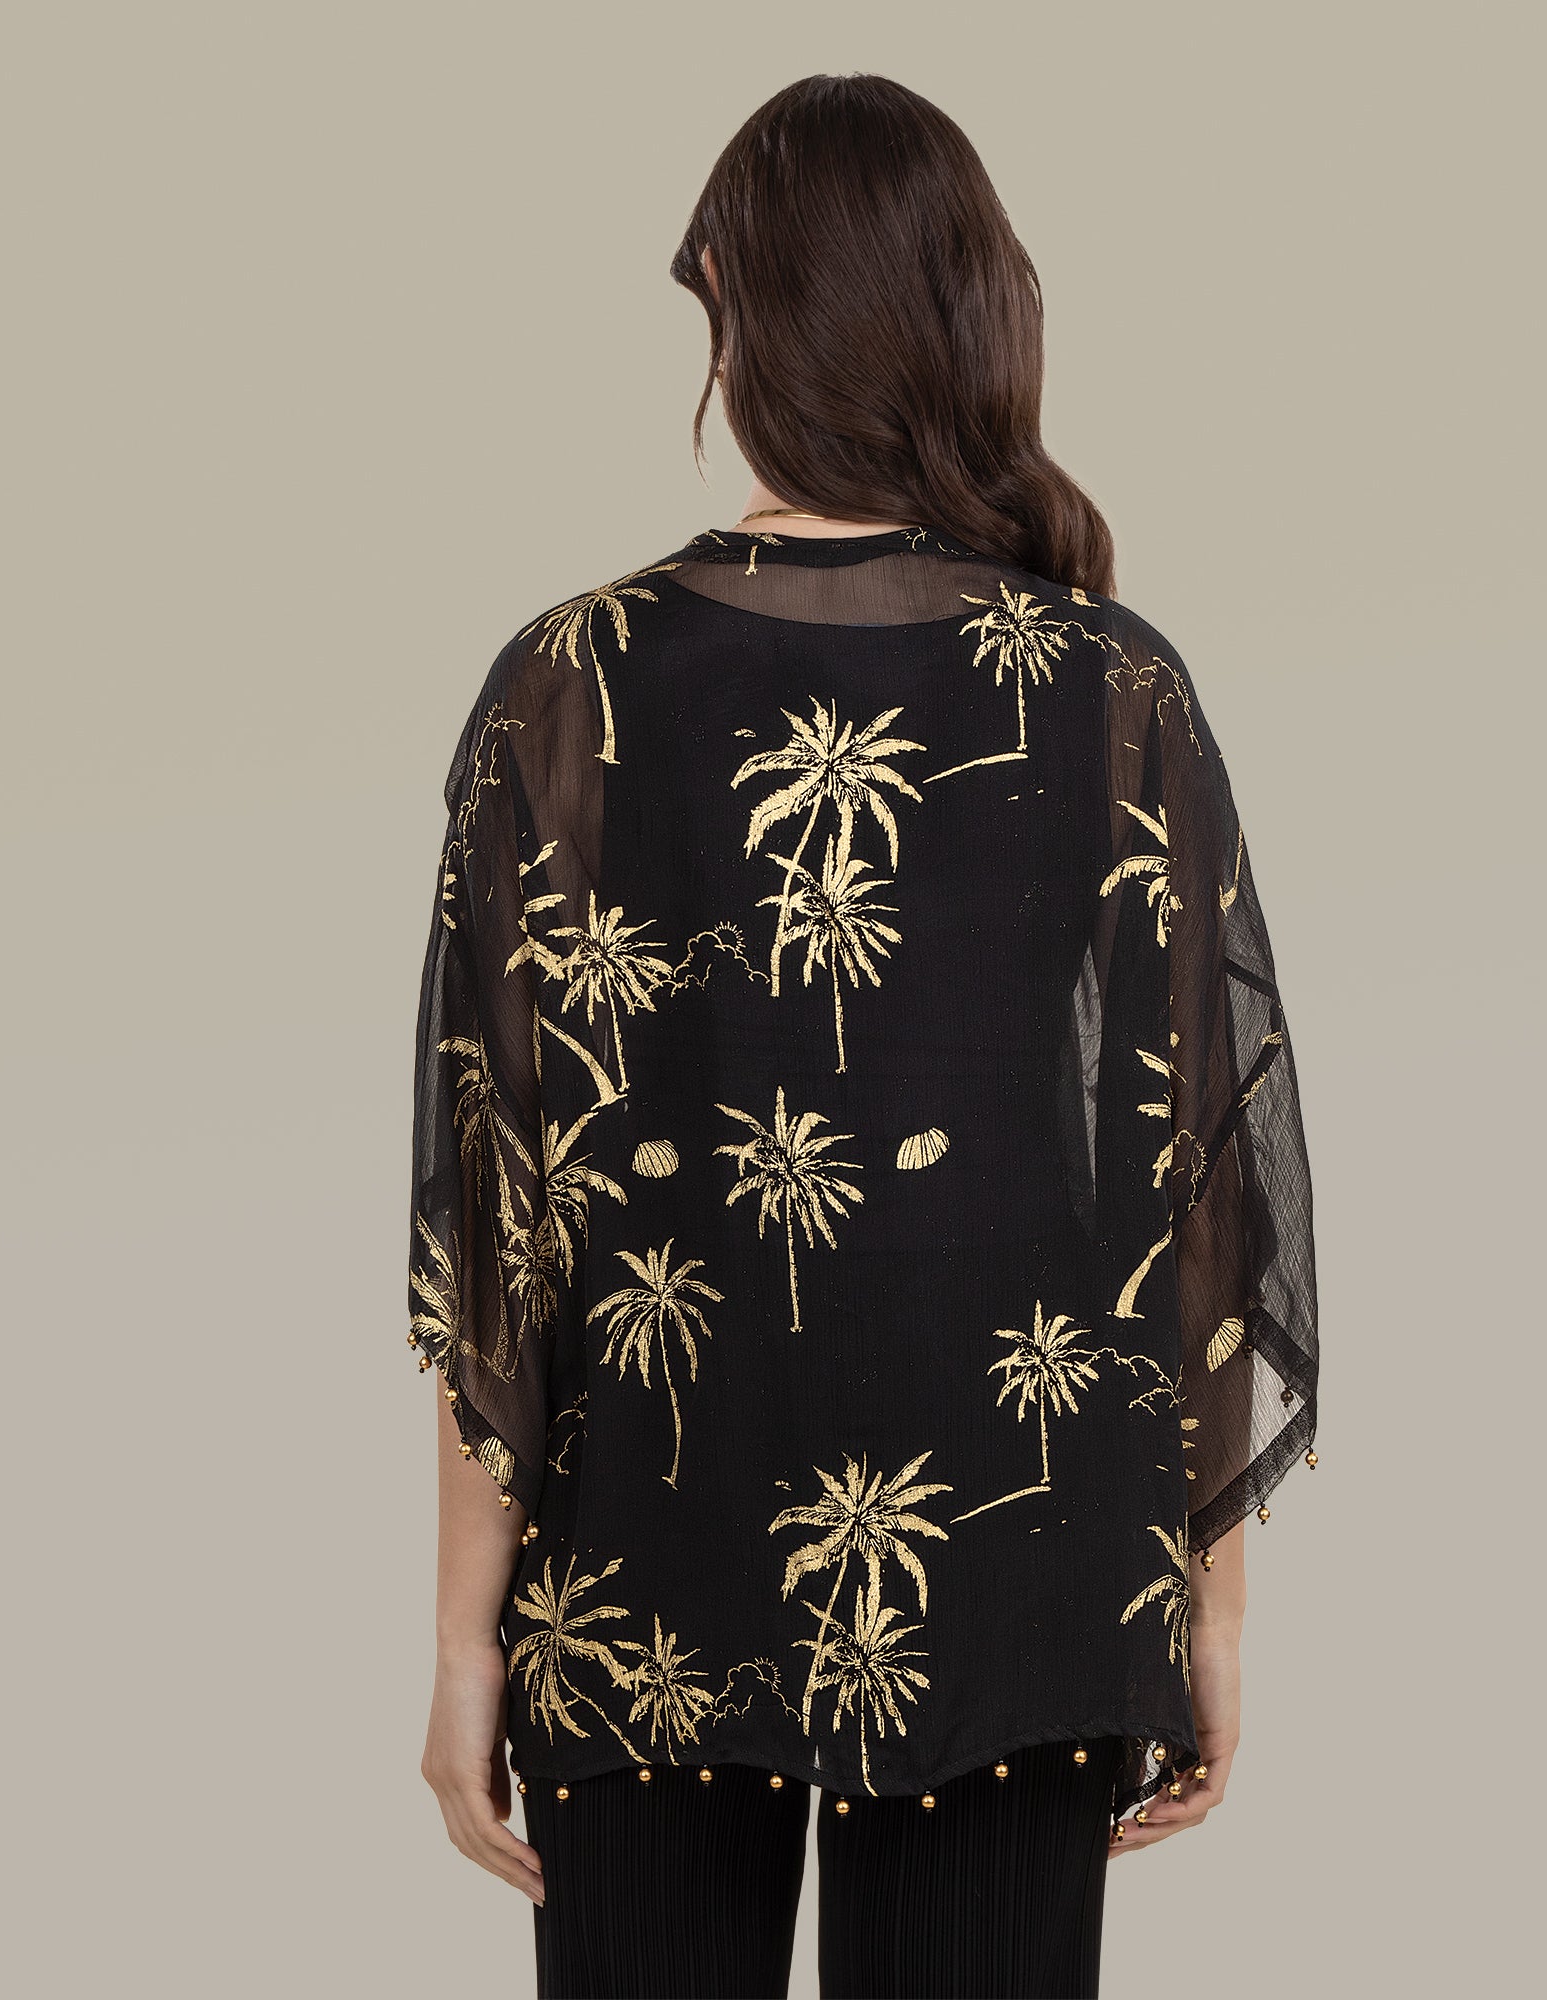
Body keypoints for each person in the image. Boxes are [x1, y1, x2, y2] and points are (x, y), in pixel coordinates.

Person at [409, 72, 1318, 2000]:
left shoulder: (572, 683)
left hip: (647, 1557)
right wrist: (1210, 1606)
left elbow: (503, 1204)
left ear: (740, 315)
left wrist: (465, 1638)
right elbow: (1197, 1194)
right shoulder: (1108, 686)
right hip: (1017, 1565)